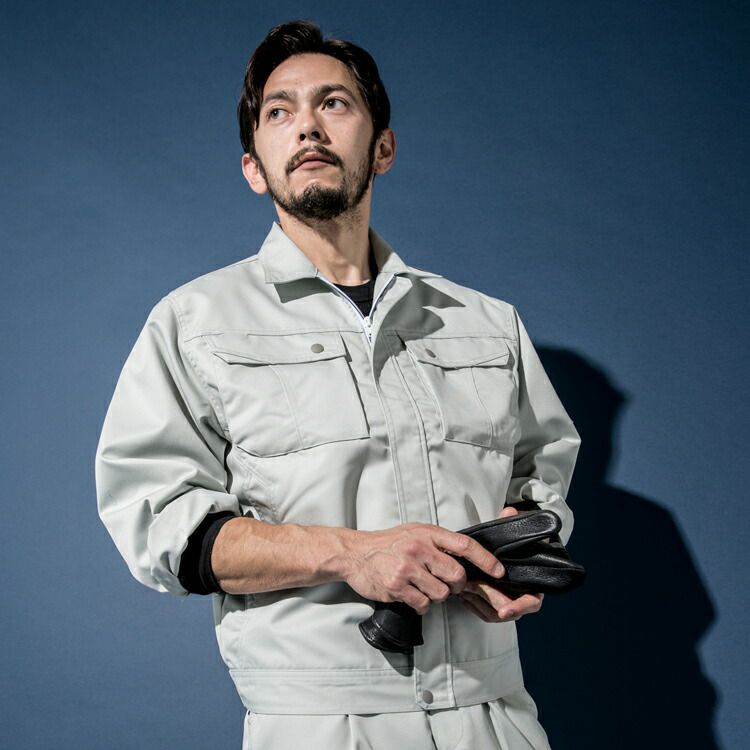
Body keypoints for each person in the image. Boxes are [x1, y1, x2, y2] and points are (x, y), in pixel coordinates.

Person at [95, 19, 581, 750]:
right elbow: (162, 527)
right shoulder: (195, 323)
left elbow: (543, 482)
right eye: (279, 111)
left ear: (382, 148)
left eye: (334, 103)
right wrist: (351, 553)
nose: (308, 126)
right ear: (254, 166)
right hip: (322, 727)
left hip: (495, 717)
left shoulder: (485, 323)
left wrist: (516, 556)